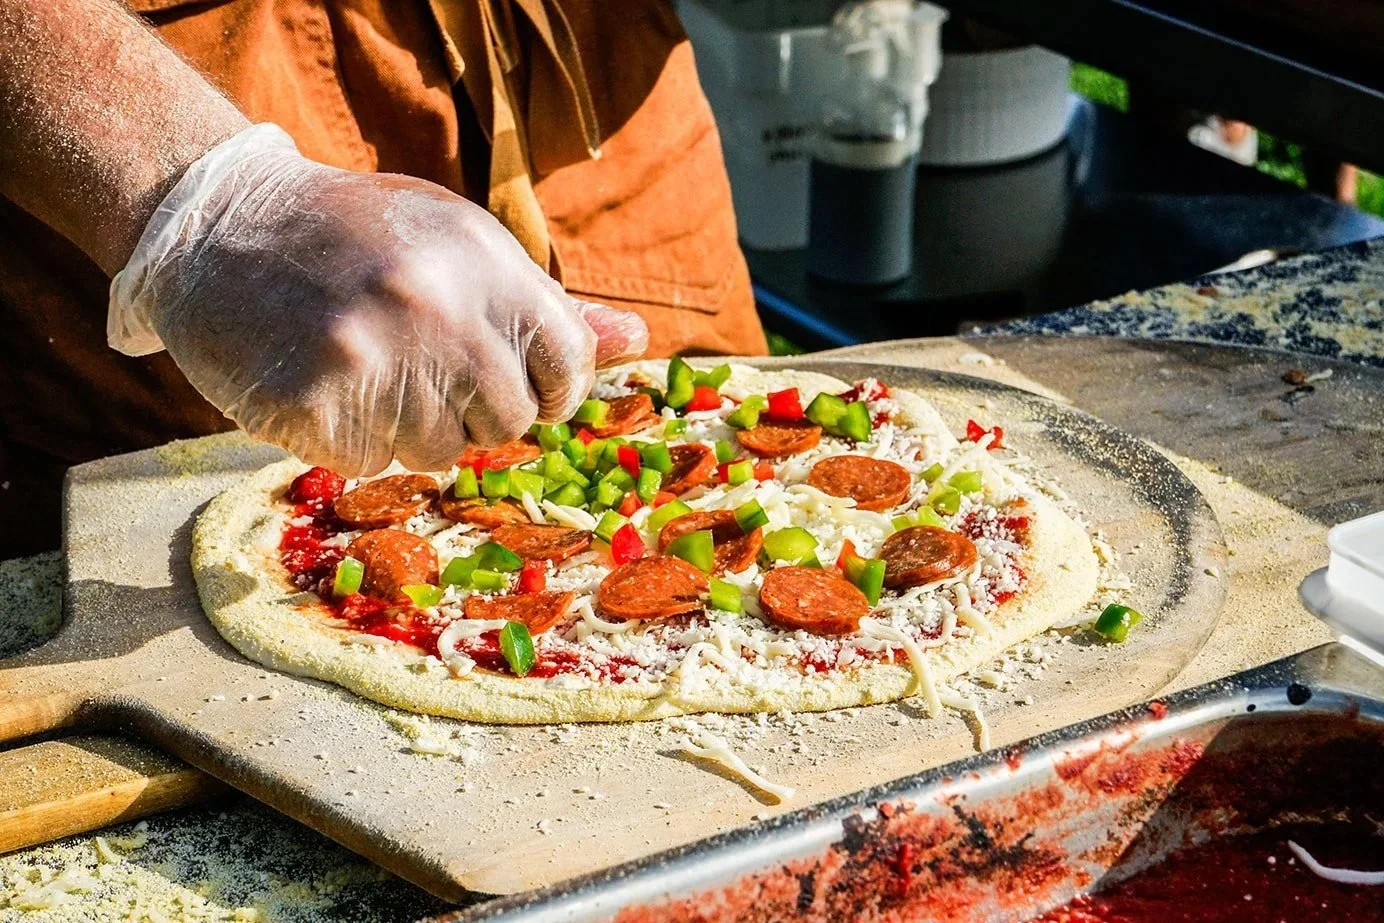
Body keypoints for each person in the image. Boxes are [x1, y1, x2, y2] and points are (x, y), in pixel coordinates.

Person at [0, 0, 767, 558]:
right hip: (157, 77)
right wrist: (209, 203)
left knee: (741, 479)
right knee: (174, 580)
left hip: (589, 59)